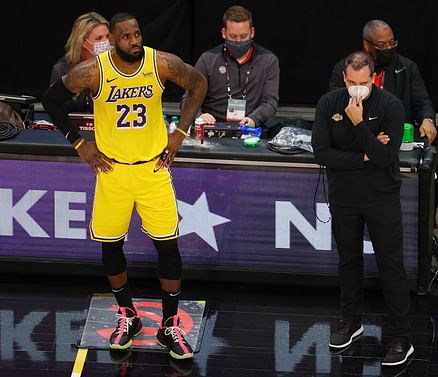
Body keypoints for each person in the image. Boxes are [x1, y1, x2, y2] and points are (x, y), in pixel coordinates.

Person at [42, 12, 207, 360]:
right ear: (113, 40)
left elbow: (198, 83)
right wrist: (78, 143)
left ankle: (170, 325)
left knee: (168, 247)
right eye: (126, 36)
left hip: (152, 170)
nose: (134, 41)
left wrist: (179, 133)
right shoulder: (93, 71)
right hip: (113, 172)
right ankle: (127, 315)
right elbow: (51, 100)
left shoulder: (159, 63)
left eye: (137, 34)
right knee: (111, 245)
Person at [312, 51, 414, 366]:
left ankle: (401, 337)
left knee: (390, 266)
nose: (358, 88)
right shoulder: (328, 104)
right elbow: (322, 153)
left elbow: (385, 159)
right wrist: (365, 153)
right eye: (353, 82)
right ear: (344, 79)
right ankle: (351, 321)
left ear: (373, 79)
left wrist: (357, 126)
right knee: (349, 262)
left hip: (381, 198)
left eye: (364, 82)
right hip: (343, 198)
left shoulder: (391, 107)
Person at [329, 19, 438, 256]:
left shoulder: (407, 68)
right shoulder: (346, 70)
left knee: (436, 173)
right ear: (367, 46)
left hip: (396, 139)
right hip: (358, 140)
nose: (388, 49)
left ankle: (426, 231)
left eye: (391, 42)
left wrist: (427, 119)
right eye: (381, 45)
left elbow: (422, 101)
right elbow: (334, 105)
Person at [183, 5, 279, 128]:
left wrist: (254, 119)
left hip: (250, 127)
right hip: (212, 126)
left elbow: (270, 102)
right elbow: (187, 98)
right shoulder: (208, 58)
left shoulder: (268, 60)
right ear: (224, 33)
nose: (238, 41)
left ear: (252, 32)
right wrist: (199, 116)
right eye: (233, 36)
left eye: (243, 36)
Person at [49, 12, 111, 112]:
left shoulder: (116, 65)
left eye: (107, 36)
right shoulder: (62, 69)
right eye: (99, 38)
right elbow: (55, 107)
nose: (106, 42)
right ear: (83, 42)